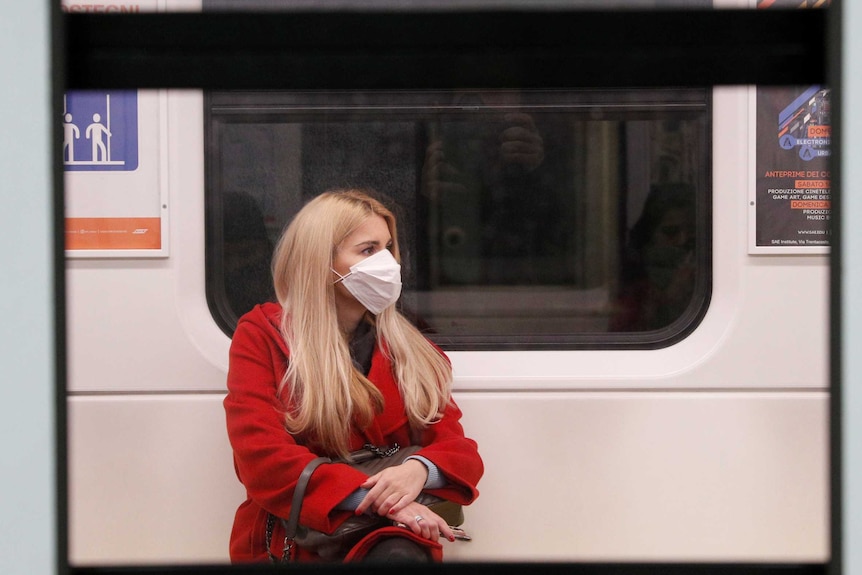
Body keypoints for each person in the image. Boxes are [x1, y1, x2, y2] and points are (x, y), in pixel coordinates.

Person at [224, 188, 484, 563]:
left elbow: (458, 450)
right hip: (300, 537)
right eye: (368, 250)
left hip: (388, 540)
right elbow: (263, 461)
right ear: (321, 263)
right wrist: (380, 501)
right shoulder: (263, 336)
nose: (388, 263)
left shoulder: (410, 349)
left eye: (388, 248)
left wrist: (418, 470)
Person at [610, 183, 697, 332]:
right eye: (671, 232)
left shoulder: (706, 275)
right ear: (650, 234)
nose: (682, 240)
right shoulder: (632, 283)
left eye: (691, 232)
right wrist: (667, 299)